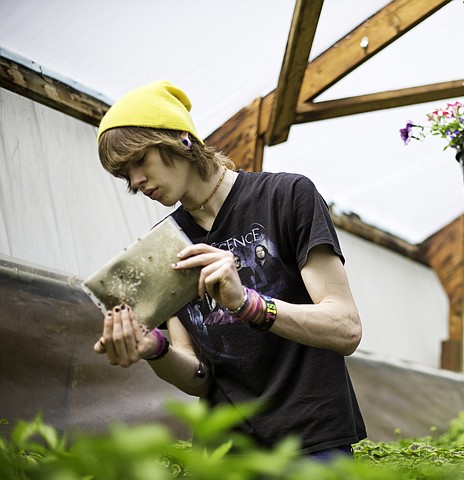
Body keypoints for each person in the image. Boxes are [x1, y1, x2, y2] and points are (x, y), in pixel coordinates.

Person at [92, 80, 366, 457]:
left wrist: (247, 304)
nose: (136, 181)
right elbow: (199, 377)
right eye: (124, 175)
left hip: (312, 444)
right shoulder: (166, 245)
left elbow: (346, 328)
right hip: (226, 457)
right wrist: (154, 349)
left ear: (180, 140)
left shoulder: (287, 198)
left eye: (139, 161)